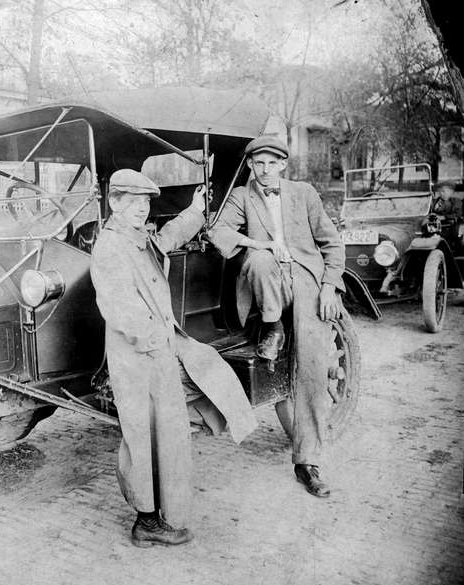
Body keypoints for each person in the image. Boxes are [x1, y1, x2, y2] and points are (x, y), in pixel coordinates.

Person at [90, 169, 257, 548]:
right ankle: (147, 520)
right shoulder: (111, 246)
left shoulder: (136, 238)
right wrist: (157, 344)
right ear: (114, 203)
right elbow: (119, 309)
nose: (140, 210)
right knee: (143, 436)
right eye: (132, 203)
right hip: (140, 358)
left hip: (155, 352)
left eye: (146, 203)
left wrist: (196, 210)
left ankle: (156, 515)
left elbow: (166, 238)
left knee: (171, 425)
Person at [205, 135, 345, 498]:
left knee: (313, 369)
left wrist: (329, 286)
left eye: (272, 163)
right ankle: (272, 326)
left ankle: (307, 462)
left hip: (308, 286)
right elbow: (218, 231)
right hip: (268, 285)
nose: (265, 170)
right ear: (250, 165)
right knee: (261, 260)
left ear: (283, 165)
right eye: (258, 163)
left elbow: (332, 243)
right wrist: (261, 243)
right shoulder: (241, 196)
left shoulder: (305, 194)